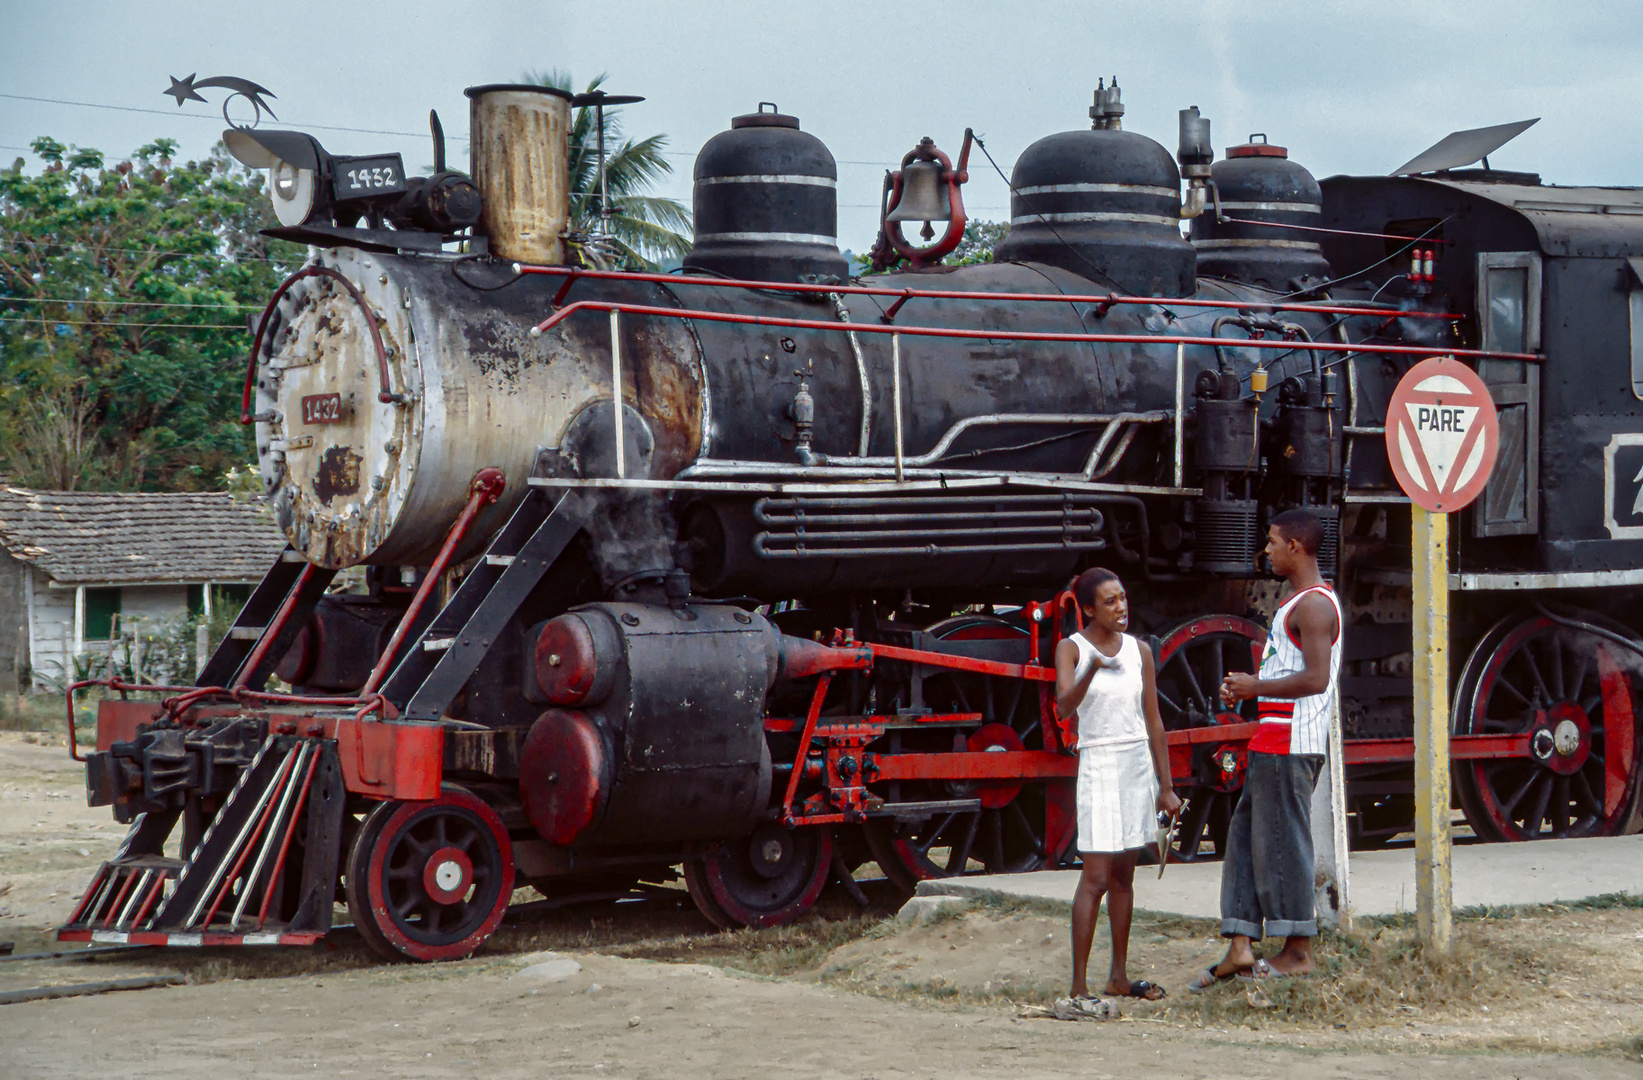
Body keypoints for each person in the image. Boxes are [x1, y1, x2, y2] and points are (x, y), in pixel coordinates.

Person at [1189, 508, 1342, 990]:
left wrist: (1256, 686)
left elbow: (1317, 679)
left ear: (1296, 548)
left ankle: (1298, 950)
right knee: (1244, 837)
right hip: (1274, 739)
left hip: (1292, 743)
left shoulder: (1314, 606)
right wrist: (1254, 688)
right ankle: (1239, 943)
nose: (1267, 549)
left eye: (1274, 542)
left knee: (1282, 842)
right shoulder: (1300, 601)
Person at [1055, 567, 1182, 1008]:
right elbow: (1063, 707)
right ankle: (1078, 986)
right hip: (1100, 762)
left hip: (1134, 765)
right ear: (1088, 609)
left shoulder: (1140, 651)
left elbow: (1154, 721)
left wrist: (1166, 787)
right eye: (1110, 602)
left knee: (1124, 877)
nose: (1121, 607)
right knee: (1094, 879)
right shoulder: (1071, 649)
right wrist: (1091, 669)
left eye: (1123, 598)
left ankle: (1119, 977)